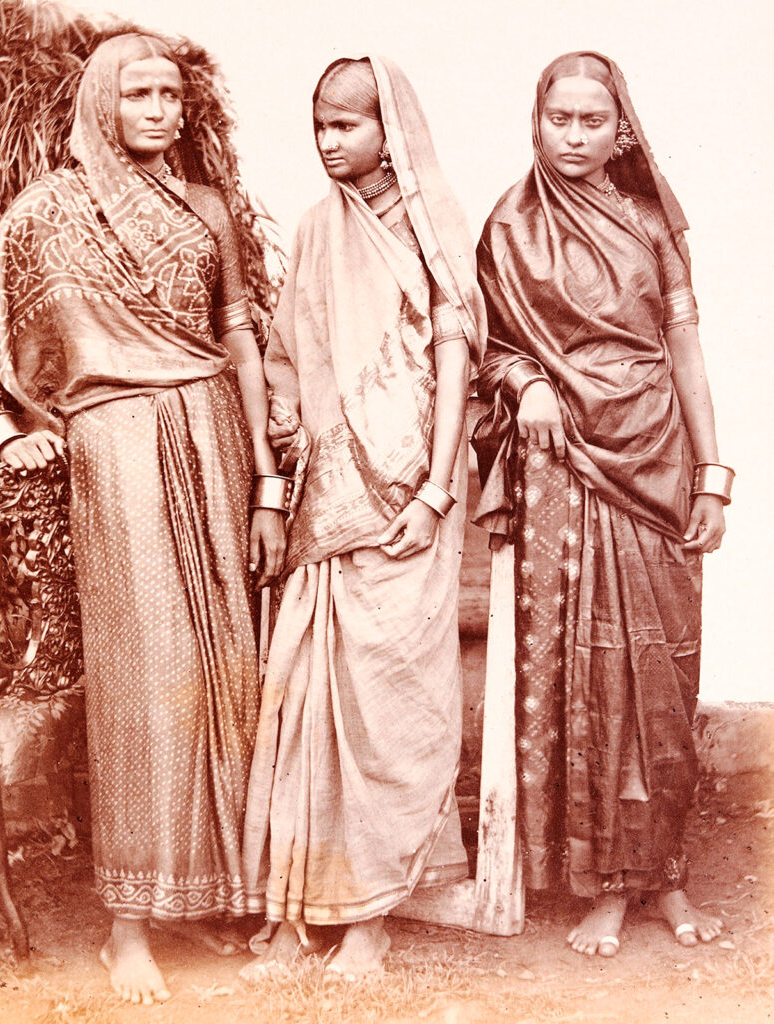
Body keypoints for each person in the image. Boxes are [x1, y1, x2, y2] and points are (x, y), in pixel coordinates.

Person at [0, 33, 286, 1004]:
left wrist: (264, 479)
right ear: (103, 104)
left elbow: (238, 340)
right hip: (116, 450)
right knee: (144, 677)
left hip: (213, 438)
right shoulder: (49, 211)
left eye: (171, 95)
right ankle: (127, 926)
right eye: (139, 95)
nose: (161, 111)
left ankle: (212, 899)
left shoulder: (206, 209)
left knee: (225, 672)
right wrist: (6, 431)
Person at [473, 51, 730, 958]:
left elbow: (685, 351)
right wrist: (524, 380)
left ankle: (663, 876)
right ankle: (603, 887)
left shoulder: (652, 221)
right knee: (583, 670)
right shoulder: (507, 225)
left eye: (593, 121)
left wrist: (712, 474)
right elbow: (484, 346)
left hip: (655, 458)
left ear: (621, 128)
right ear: (535, 119)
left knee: (663, 674)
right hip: (561, 466)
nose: (574, 137)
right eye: (559, 119)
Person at [240, 56, 487, 981]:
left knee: (392, 701)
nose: (327, 141)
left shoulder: (432, 223)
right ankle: (296, 914)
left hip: (410, 502)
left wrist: (431, 494)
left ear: (390, 128)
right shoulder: (312, 229)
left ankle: (371, 921)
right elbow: (287, 353)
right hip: (327, 498)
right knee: (308, 699)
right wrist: (286, 422)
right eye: (319, 127)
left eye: (345, 124)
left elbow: (457, 363)